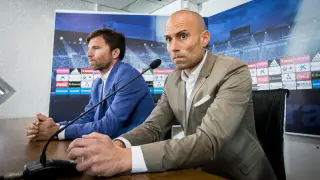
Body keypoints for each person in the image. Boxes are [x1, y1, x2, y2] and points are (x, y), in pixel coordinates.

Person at [67, 10, 277, 180]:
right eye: (168, 39)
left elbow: (208, 141)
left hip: (239, 174)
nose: (173, 48)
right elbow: (153, 127)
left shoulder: (233, 71)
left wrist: (127, 158)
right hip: (193, 171)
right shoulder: (172, 80)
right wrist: (117, 145)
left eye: (182, 36)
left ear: (204, 39)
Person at [25, 28, 155, 140]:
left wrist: (57, 132)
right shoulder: (98, 82)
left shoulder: (127, 76)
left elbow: (108, 127)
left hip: (135, 147)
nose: (89, 54)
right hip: (111, 144)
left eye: (96, 48)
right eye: (89, 49)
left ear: (115, 53)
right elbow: (88, 117)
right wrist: (54, 127)